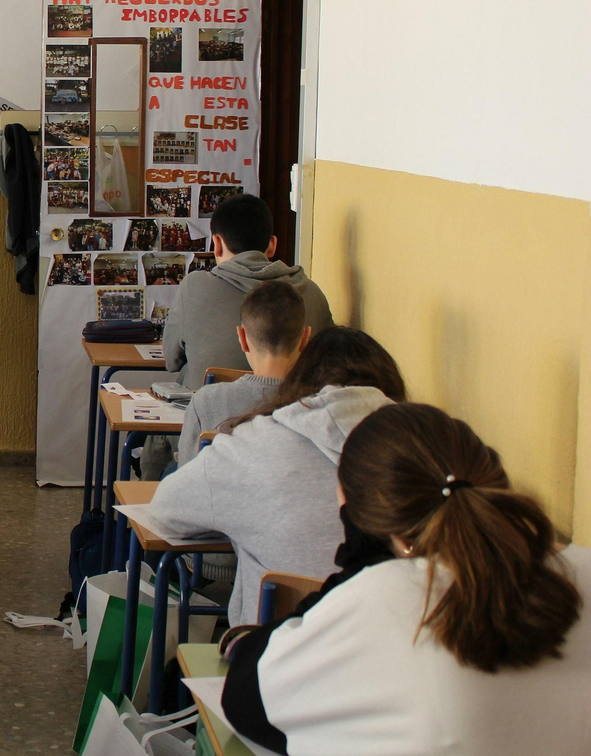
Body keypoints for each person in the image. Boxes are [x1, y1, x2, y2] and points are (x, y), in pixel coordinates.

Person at [221, 403, 590, 754]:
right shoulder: (580, 567)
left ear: (362, 519)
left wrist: (363, 558)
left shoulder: (382, 596)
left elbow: (246, 696)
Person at [149, 327, 406, 625]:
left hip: (270, 643)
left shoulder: (253, 445)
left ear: (299, 378)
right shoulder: (426, 452)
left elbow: (164, 510)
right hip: (396, 644)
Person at [162, 193, 332, 387]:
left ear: (217, 244)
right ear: (272, 245)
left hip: (209, 404)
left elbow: (171, 361)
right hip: (291, 404)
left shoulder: (193, 287)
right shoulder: (312, 292)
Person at [173, 280, 311, 468]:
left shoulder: (206, 402)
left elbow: (186, 473)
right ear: (305, 339)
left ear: (242, 338)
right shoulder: (321, 406)